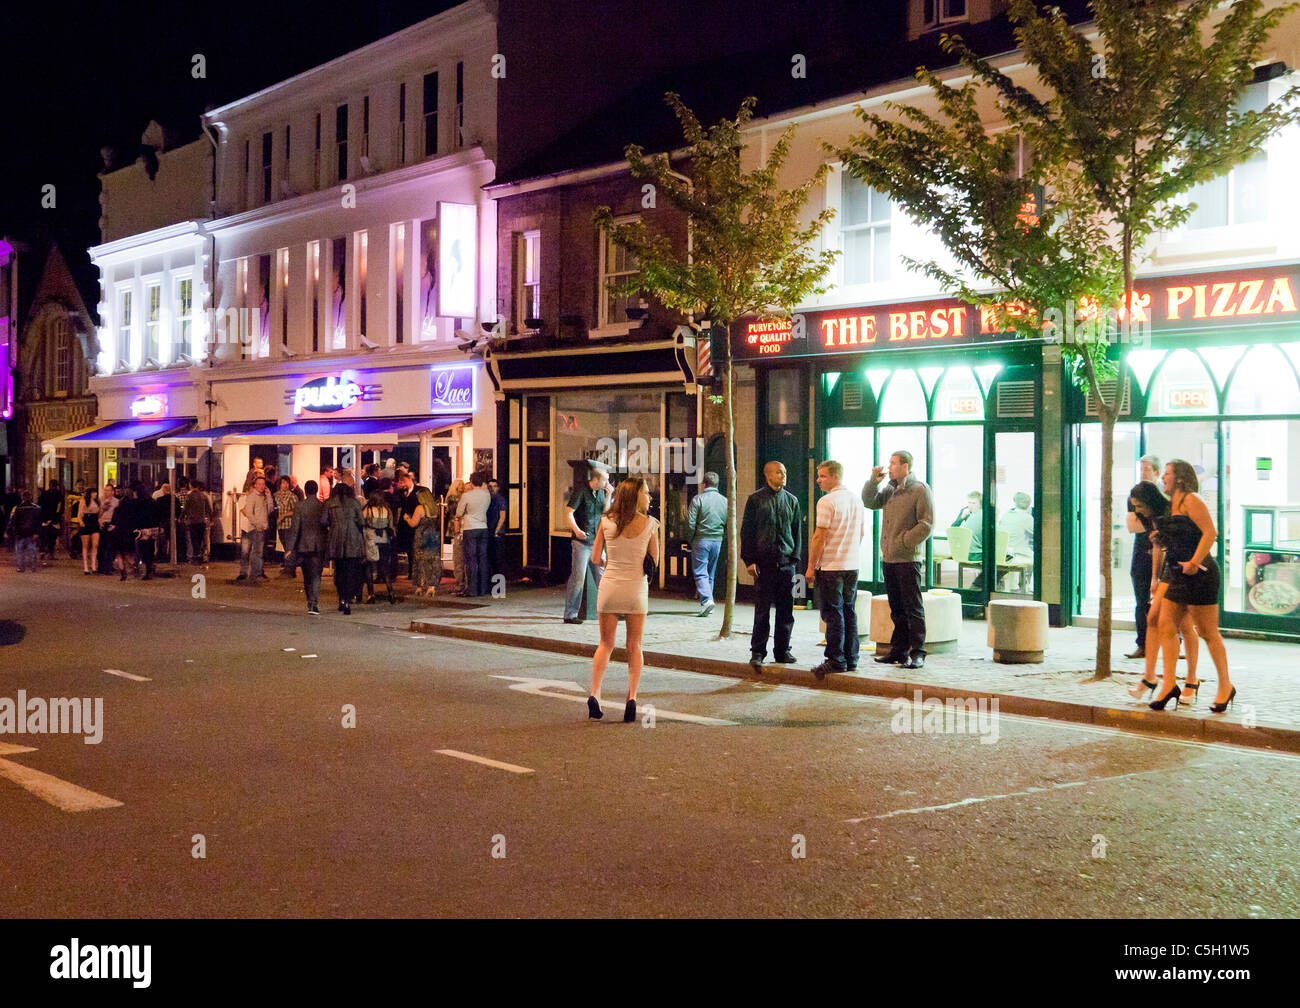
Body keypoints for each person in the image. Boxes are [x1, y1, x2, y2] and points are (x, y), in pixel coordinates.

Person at [1150, 460, 1235, 713]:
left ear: (1179, 478)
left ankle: (1225, 686)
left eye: (1166, 474)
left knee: (1208, 632)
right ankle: (1168, 685)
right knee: (1165, 625)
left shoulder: (1191, 500)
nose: (1163, 478)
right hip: (1178, 572)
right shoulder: (1172, 504)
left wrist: (1195, 561)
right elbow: (1179, 535)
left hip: (1200, 574)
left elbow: (1211, 532)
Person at [586, 476, 660, 723]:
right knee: (634, 646)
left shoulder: (606, 521)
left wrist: (613, 563)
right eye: (646, 492)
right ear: (636, 495)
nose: (649, 496)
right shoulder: (650, 524)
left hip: (609, 587)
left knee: (605, 644)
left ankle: (595, 693)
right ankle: (631, 699)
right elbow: (655, 561)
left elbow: (596, 558)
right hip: (635, 588)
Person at [1125, 481, 1200, 701]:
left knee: (1184, 625)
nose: (1136, 510)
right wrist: (1154, 580)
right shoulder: (1149, 518)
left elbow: (1185, 541)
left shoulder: (1170, 513)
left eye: (1139, 505)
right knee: (1154, 619)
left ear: (1149, 501)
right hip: (1170, 569)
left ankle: (1190, 680)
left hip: (1185, 567)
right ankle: (1151, 677)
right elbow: (1158, 546)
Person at [863, 450, 934, 670]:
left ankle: (917, 652)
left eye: (893, 463)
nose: (889, 467)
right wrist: (872, 482)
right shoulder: (890, 489)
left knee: (912, 607)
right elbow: (870, 502)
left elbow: (926, 523)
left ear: (905, 466)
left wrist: (905, 541)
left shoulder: (919, 489)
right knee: (896, 608)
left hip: (907, 558)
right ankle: (899, 650)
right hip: (889, 558)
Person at [740, 461, 802, 671]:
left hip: (786, 564)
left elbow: (797, 532)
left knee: (786, 610)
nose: (783, 475)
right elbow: (747, 532)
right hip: (763, 565)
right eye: (778, 472)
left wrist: (794, 558)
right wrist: (749, 561)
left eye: (784, 472)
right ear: (767, 475)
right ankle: (758, 652)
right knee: (762, 611)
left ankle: (782, 650)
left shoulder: (792, 501)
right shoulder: (755, 500)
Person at [807, 460, 866, 678]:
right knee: (849, 611)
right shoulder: (856, 500)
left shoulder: (827, 501)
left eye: (823, 476)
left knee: (833, 614)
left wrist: (811, 566)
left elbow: (819, 536)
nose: (818, 480)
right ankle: (852, 658)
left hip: (831, 565)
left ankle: (835, 659)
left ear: (835, 477)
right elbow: (861, 532)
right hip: (852, 565)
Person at [562, 463, 610, 623]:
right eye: (605, 481)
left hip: (596, 541)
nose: (607, 485)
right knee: (578, 578)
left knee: (602, 577)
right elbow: (569, 512)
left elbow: (606, 513)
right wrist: (577, 531)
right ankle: (570, 614)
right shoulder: (581, 491)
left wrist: (609, 496)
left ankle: (608, 611)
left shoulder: (602, 493)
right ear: (595, 480)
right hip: (581, 543)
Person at [1125, 454, 1161, 658]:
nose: (1143, 472)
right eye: (1141, 468)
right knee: (1141, 601)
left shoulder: (1164, 497)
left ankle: (1174, 641)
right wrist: (1155, 522)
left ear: (1156, 471)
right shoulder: (1135, 495)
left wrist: (1147, 522)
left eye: (1147, 468)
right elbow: (1133, 526)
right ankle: (1143, 644)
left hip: (1161, 556)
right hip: (1141, 555)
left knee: (1167, 602)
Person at [686, 471, 727, 617]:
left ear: (704, 484)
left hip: (701, 539)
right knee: (710, 572)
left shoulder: (698, 499)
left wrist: (690, 538)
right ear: (716, 484)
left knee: (700, 571)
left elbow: (690, 523)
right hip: (718, 540)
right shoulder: (725, 501)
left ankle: (707, 600)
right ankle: (708, 602)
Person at [286, 480, 327, 615]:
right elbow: (325, 524)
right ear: (316, 490)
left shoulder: (299, 506)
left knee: (306, 575)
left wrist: (290, 548)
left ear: (305, 489)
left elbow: (295, 528)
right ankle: (314, 603)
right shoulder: (322, 506)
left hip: (303, 545)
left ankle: (310, 602)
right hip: (318, 545)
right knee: (316, 575)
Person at [326, 481, 365, 615]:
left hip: (336, 538)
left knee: (339, 570)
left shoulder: (330, 503)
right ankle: (348, 599)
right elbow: (361, 521)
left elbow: (323, 521)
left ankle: (341, 598)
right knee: (350, 571)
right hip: (352, 537)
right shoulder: (354, 503)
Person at [457, 472, 492, 597]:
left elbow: (459, 512)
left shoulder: (467, 496)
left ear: (471, 482)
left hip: (470, 528)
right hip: (483, 527)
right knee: (482, 558)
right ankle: (483, 588)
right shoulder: (487, 495)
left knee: (471, 559)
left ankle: (472, 589)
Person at [363, 491, 397, 605]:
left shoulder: (368, 510)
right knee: (384, 567)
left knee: (369, 567)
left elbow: (362, 523)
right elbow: (391, 525)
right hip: (384, 539)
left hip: (371, 540)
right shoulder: (387, 510)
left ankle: (371, 594)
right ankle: (391, 592)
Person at [997, 491, 1035, 591]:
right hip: (1015, 557)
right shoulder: (1027, 518)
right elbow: (1040, 534)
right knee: (1040, 559)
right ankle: (1032, 588)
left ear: (1015, 502)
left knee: (1017, 550)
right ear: (1029, 505)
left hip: (1003, 555)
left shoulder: (1006, 515)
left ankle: (1013, 587)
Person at [409, 487, 443, 595]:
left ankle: (420, 586)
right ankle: (432, 586)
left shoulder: (420, 508)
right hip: (433, 535)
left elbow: (413, 523)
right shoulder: (435, 508)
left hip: (422, 536)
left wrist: (406, 518)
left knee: (420, 560)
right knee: (433, 560)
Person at [237, 475, 272, 582]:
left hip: (261, 528)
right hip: (253, 528)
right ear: (255, 485)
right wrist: (257, 523)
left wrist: (269, 497)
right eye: (259, 484)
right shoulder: (252, 497)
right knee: (250, 551)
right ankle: (252, 574)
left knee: (258, 552)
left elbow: (270, 510)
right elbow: (248, 513)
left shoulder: (264, 497)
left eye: (263, 484)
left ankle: (256, 573)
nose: (262, 486)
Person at [445, 478, 468, 594]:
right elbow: (455, 513)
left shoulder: (458, 498)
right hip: (458, 526)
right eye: (460, 485)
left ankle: (460, 583)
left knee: (459, 557)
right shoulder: (455, 499)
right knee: (459, 556)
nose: (462, 487)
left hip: (459, 527)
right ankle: (461, 583)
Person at [9, 492, 41, 571]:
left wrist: (11, 531)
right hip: (32, 532)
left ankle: (21, 567)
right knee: (32, 550)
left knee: (20, 551)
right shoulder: (36, 508)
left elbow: (14, 521)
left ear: (22, 498)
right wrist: (37, 532)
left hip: (20, 533)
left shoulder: (18, 508)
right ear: (31, 497)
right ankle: (33, 567)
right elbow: (38, 522)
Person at [274, 476, 298, 576]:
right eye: (283, 483)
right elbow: (274, 507)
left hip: (289, 524)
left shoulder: (292, 496)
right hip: (280, 526)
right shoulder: (276, 495)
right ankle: (287, 566)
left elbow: (295, 510)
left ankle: (291, 569)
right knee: (285, 546)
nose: (285, 485)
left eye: (287, 483)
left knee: (290, 547)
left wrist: (284, 515)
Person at [184, 480, 213, 566]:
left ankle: (195, 557)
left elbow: (185, 508)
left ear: (191, 486)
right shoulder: (204, 496)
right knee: (200, 539)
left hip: (192, 521)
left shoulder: (189, 496)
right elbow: (208, 509)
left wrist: (181, 517)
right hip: (202, 521)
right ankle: (200, 557)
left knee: (194, 540)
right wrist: (211, 519)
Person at [38, 479, 65, 564]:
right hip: (52, 519)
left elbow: (40, 506)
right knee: (51, 537)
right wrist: (57, 517)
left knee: (47, 537)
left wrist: (44, 518)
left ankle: (45, 552)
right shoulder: (58, 495)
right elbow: (60, 508)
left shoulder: (45, 494)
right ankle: (49, 552)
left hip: (48, 519)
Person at [487, 478, 507, 581]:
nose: (492, 489)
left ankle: (499, 586)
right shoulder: (487, 499)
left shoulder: (500, 499)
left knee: (498, 559)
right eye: (490, 486)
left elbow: (502, 516)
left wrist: (496, 530)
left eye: (494, 486)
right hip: (489, 531)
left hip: (497, 533)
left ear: (498, 488)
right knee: (491, 559)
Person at [97, 484, 120, 574]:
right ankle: (101, 566)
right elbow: (97, 513)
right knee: (101, 546)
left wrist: (115, 524)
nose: (106, 492)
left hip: (111, 524)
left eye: (108, 490)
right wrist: (99, 521)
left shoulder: (117, 502)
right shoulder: (100, 500)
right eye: (105, 490)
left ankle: (108, 566)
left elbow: (118, 515)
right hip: (102, 523)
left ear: (112, 492)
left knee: (110, 547)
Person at [79, 488, 100, 575]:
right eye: (94, 492)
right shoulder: (84, 501)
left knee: (95, 544)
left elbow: (99, 512)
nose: (95, 494)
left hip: (94, 521)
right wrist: (81, 522)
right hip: (86, 521)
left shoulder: (97, 501)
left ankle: (93, 565)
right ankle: (86, 567)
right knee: (85, 545)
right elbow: (80, 513)